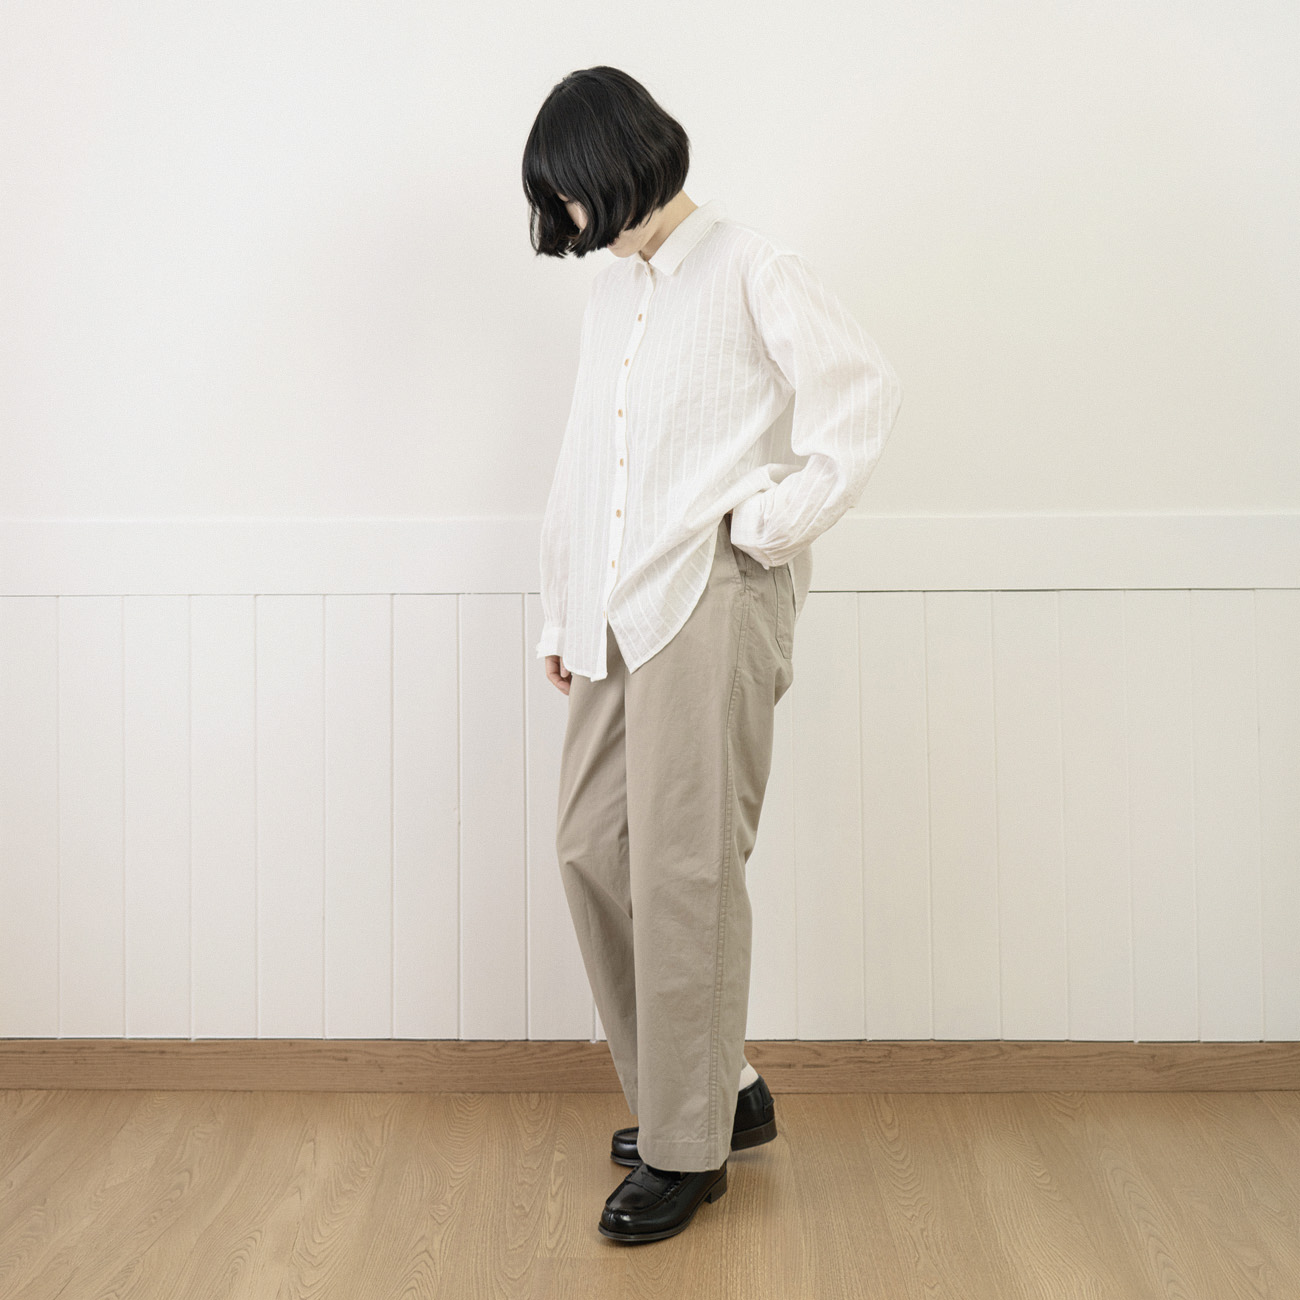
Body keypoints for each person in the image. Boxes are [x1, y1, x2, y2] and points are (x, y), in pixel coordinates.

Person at [522, 66, 903, 1244]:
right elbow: (587, 457)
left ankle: (685, 1147)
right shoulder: (612, 293)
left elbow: (860, 395)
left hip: (711, 594)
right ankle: (717, 1089)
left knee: (684, 869)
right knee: (591, 846)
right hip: (619, 605)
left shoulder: (753, 268)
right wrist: (562, 611)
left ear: (619, 161)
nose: (571, 224)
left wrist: (770, 523)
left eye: (571, 198)